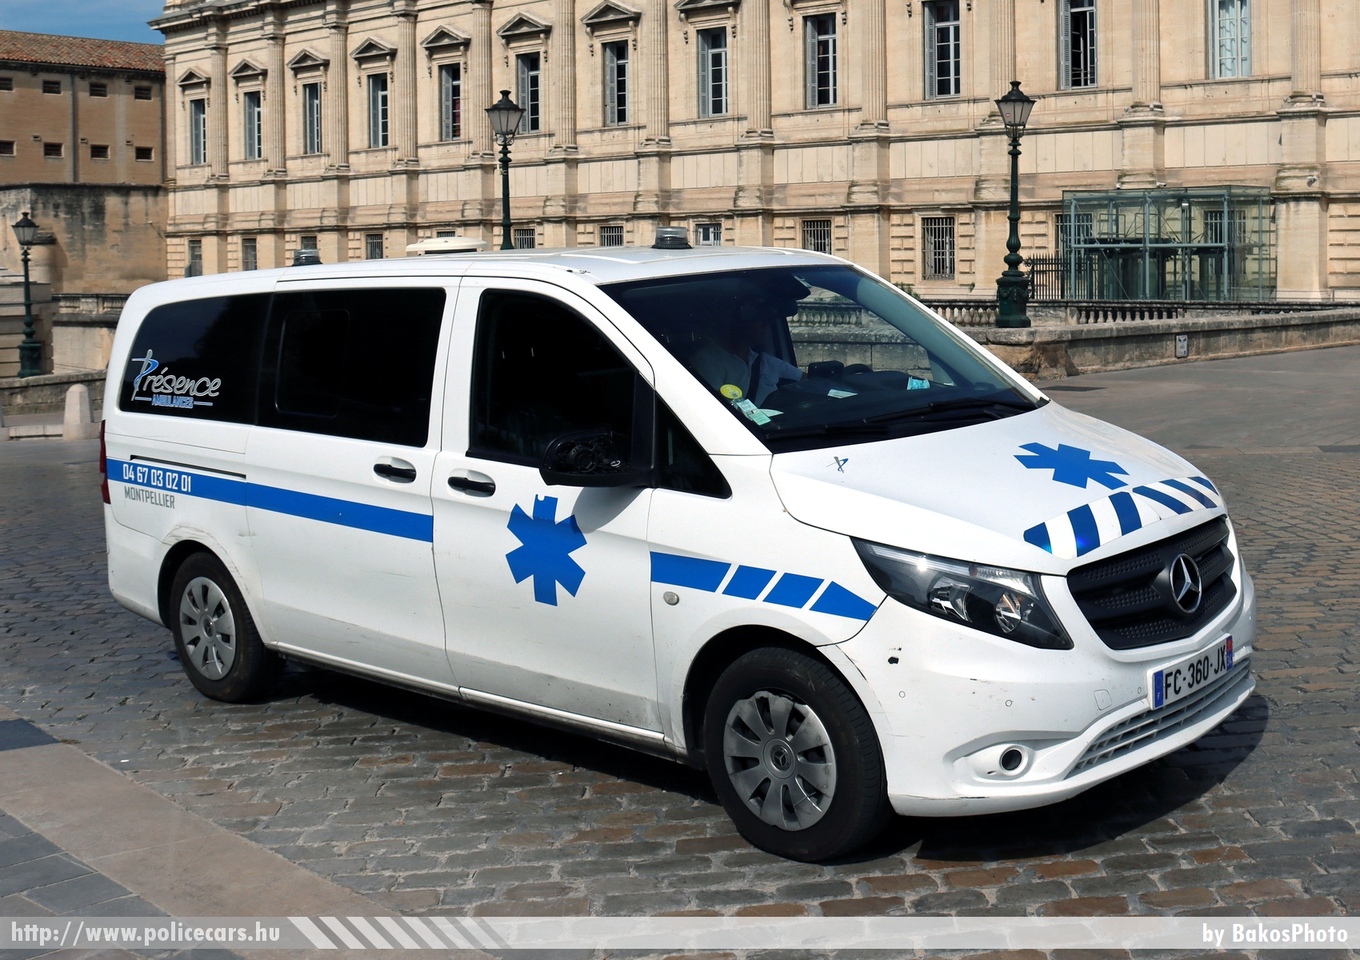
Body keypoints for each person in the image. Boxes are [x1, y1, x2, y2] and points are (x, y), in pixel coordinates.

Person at [689, 299, 804, 406]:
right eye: (759, 320)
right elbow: (712, 407)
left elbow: (805, 380)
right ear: (737, 323)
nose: (765, 325)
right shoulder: (707, 361)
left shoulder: (763, 360)